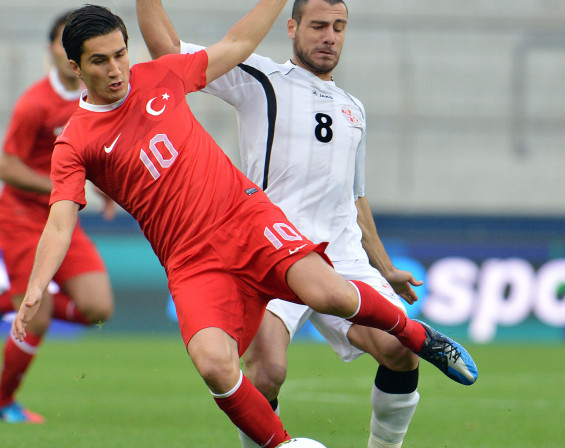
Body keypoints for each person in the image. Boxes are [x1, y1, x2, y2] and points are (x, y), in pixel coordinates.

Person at [12, 3, 477, 447]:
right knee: (222, 365)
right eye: (100, 61)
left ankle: (423, 337)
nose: (116, 69)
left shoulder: (160, 76)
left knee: (332, 296)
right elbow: (59, 222)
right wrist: (37, 285)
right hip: (191, 261)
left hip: (247, 222)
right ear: (76, 66)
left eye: (120, 55)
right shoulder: (75, 142)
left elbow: (238, 40)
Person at [136, 1, 460, 447]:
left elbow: (355, 197)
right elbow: (167, 49)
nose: (329, 36)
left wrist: (384, 267)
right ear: (292, 27)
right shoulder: (258, 77)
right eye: (319, 25)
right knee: (266, 373)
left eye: (339, 27)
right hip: (271, 249)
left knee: (400, 351)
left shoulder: (353, 108)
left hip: (341, 259)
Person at [0, 11, 115, 424]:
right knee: (41, 314)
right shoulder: (35, 103)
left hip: (61, 216)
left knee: (98, 309)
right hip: (20, 216)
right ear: (58, 52)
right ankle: (0, 404)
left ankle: (2, 300)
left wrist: (102, 186)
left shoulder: (98, 100)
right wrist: (62, 188)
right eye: (59, 41)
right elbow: (6, 167)